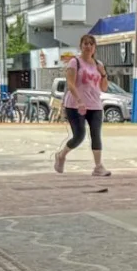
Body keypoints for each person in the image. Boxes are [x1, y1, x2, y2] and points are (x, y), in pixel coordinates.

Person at [53, 35, 110, 177]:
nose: (88, 46)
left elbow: (104, 88)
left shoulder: (98, 64)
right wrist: (79, 101)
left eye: (91, 44)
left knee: (96, 134)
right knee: (79, 136)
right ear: (81, 46)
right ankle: (61, 155)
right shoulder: (74, 62)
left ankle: (98, 166)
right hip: (75, 105)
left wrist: (103, 74)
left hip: (95, 105)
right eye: (85, 43)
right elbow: (70, 84)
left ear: (94, 47)